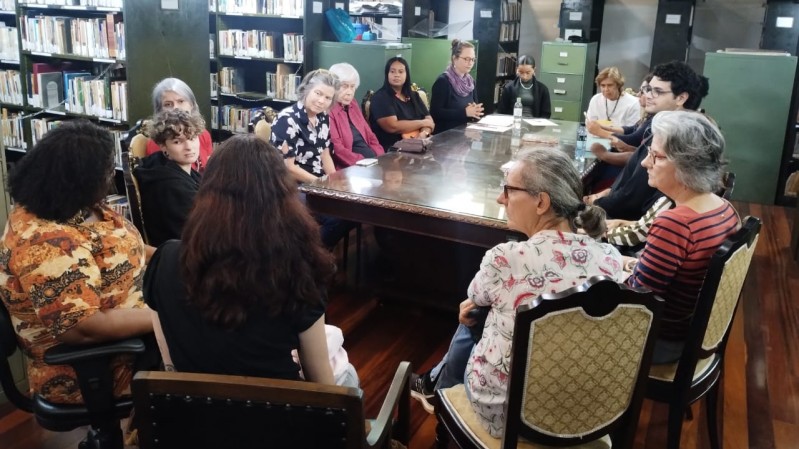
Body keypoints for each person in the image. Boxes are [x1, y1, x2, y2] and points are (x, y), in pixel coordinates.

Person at [410, 147, 624, 437]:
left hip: (507, 413)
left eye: (508, 190)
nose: (501, 199)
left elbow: (476, 296)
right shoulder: (609, 257)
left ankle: (442, 406)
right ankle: (438, 389)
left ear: (541, 203)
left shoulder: (505, 258)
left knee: (474, 314)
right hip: (589, 410)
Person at [144, 135, 338, 385]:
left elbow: (172, 366)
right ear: (282, 195)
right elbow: (322, 385)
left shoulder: (165, 259)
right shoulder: (298, 266)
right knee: (345, 369)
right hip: (279, 414)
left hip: (194, 415)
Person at [0, 121, 153, 404]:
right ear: (78, 178)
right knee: (212, 350)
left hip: (136, 334)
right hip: (96, 368)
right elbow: (82, 327)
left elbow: (122, 248)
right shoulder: (42, 243)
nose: (111, 177)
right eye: (106, 171)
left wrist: (180, 256)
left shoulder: (77, 205)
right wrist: (163, 318)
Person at [625, 110, 739, 363]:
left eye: (655, 156)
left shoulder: (676, 223)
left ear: (686, 164)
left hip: (660, 341)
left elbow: (637, 300)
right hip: (689, 333)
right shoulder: (725, 208)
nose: (645, 162)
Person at [586, 61, 710, 220]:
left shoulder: (671, 139)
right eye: (648, 89)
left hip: (620, 222)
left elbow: (630, 200)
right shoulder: (664, 128)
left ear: (681, 98)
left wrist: (592, 204)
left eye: (657, 91)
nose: (648, 95)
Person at [134, 109, 204, 247]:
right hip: (183, 255)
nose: (189, 147)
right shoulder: (170, 186)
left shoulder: (163, 165)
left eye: (192, 138)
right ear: (163, 146)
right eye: (178, 142)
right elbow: (200, 232)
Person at [271, 68, 339, 183]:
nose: (321, 101)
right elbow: (288, 167)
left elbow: (325, 154)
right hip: (292, 184)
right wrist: (322, 185)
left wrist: (335, 182)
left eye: (328, 98)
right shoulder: (287, 119)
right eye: (318, 93)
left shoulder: (323, 117)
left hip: (318, 181)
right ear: (306, 90)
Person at [145, 77, 213, 172]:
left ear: (192, 104)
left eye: (181, 101)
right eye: (168, 104)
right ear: (159, 110)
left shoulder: (203, 134)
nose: (175, 108)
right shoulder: (160, 141)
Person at [369, 56, 435, 151]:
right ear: (387, 74)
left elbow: (429, 120)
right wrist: (422, 123)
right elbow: (393, 126)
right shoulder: (380, 97)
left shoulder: (414, 95)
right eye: (392, 71)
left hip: (419, 145)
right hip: (392, 150)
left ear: (406, 74)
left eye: (401, 72)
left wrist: (424, 134)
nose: (396, 75)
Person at [327, 62, 384, 168]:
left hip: (371, 162)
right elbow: (337, 148)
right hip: (351, 167)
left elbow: (370, 135)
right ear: (333, 86)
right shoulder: (328, 109)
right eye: (344, 86)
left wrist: (381, 157)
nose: (350, 92)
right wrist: (363, 162)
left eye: (352, 87)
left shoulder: (352, 103)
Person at [429, 39, 484, 133]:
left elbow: (474, 111)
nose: (470, 62)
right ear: (455, 59)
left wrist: (476, 112)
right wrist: (464, 113)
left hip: (466, 134)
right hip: (446, 135)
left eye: (472, 59)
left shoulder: (471, 82)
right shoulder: (443, 81)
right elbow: (435, 113)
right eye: (466, 59)